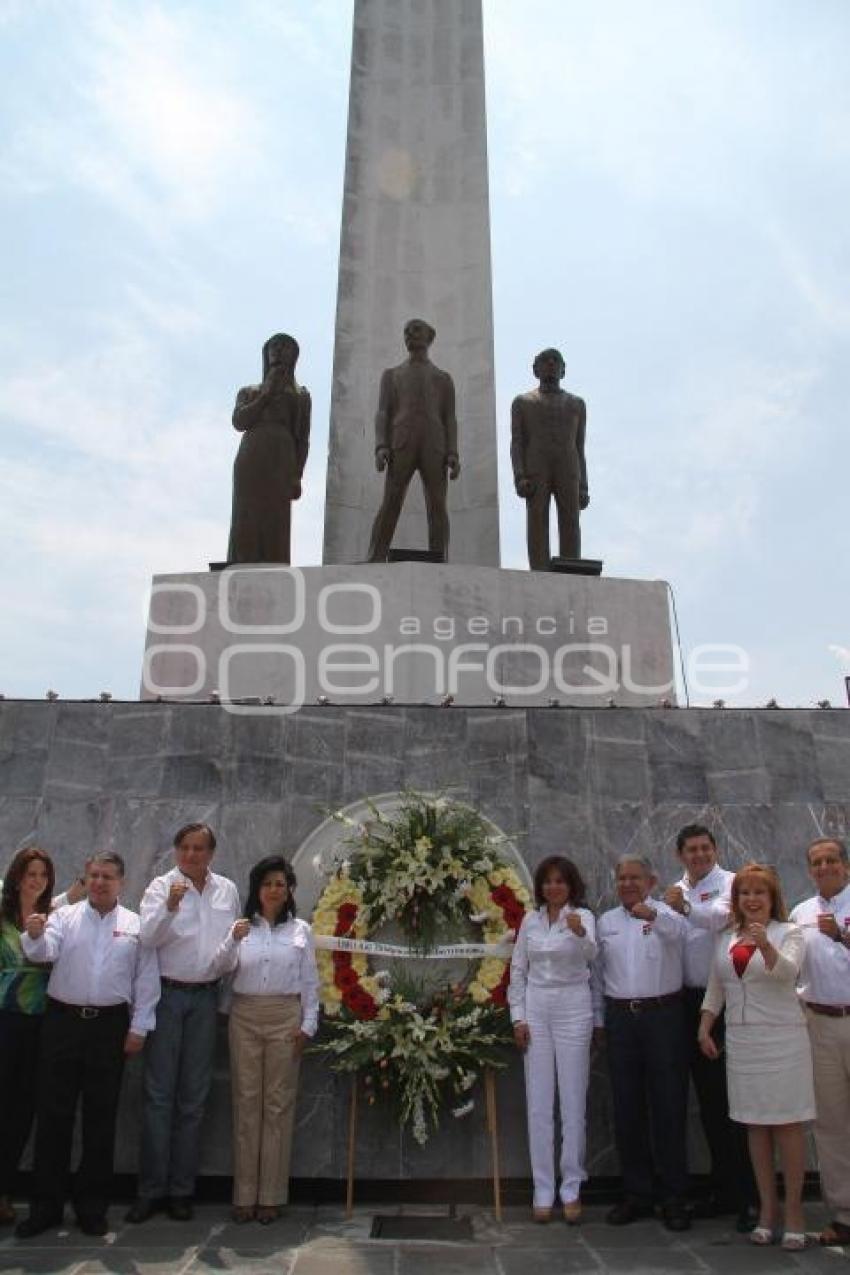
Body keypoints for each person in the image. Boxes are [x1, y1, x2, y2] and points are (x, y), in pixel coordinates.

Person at [15, 852, 159, 1238]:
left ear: (121, 882)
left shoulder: (135, 926)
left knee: (100, 1120)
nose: (99, 882)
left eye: (107, 876)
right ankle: (45, 1207)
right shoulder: (63, 917)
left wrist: (140, 1028)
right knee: (53, 1118)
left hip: (110, 1027)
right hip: (62, 1023)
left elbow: (146, 980)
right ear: (85, 878)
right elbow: (44, 951)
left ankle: (92, 1207)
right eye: (93, 875)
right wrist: (32, 933)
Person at [127, 823, 240, 1223]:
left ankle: (181, 1190)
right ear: (176, 851)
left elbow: (229, 948)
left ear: (210, 853)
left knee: (193, 1098)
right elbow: (148, 939)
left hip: (206, 997)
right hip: (168, 995)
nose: (191, 855)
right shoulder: (161, 887)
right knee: (159, 1096)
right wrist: (169, 907)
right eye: (185, 848)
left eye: (199, 848)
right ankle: (150, 1189)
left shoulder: (226, 889)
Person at [698, 863, 814, 1251]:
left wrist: (765, 944)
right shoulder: (726, 938)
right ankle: (767, 1210)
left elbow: (788, 973)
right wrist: (705, 1024)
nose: (751, 899)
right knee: (755, 1127)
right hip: (743, 1044)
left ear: (772, 898)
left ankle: (794, 1210)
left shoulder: (789, 933)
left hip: (782, 1041)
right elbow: (717, 986)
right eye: (745, 893)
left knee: (786, 1126)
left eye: (758, 893)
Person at [213, 855, 319, 1224]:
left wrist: (308, 1023)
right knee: (246, 1103)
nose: (274, 890)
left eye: (280, 884)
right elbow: (220, 969)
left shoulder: (300, 930)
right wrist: (231, 941)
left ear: (289, 890)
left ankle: (271, 1195)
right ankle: (244, 1195)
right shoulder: (241, 928)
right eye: (267, 884)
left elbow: (310, 981)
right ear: (256, 889)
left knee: (277, 1106)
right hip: (244, 1014)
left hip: (284, 1016)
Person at [663, 824, 756, 1229]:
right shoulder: (675, 889)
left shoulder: (733, 884)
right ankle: (722, 1189)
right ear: (680, 855)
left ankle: (747, 1196)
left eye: (705, 848)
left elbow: (720, 919)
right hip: (685, 1004)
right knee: (708, 1104)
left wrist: (682, 908)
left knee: (733, 1103)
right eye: (691, 850)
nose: (699, 855)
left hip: (722, 1003)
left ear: (715, 850)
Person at [593, 854, 690, 1230]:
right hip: (621, 1019)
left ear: (651, 881)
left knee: (669, 1106)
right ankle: (637, 1193)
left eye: (636, 878)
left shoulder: (667, 916)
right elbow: (599, 976)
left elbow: (679, 934)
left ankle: (675, 1196)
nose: (628, 884)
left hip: (663, 1016)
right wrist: (601, 1022)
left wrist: (654, 914)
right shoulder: (606, 923)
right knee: (627, 1109)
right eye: (622, 879)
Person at [508, 855, 596, 1223]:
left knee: (573, 1101)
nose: (553, 887)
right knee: (539, 1103)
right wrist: (518, 1017)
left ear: (571, 885)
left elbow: (593, 954)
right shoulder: (530, 919)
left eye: (560, 881)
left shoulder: (583, 917)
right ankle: (542, 1188)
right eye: (547, 881)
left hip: (574, 1008)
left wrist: (578, 932)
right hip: (537, 1009)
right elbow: (518, 970)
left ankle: (571, 1186)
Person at [789, 837, 850, 1247]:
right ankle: (844, 1213)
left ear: (845, 865)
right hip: (820, 1023)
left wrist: (842, 935)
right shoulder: (801, 912)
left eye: (831, 860)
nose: (825, 867)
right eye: (817, 862)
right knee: (831, 1123)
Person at [366, 317, 460, 562]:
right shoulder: (392, 375)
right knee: (390, 502)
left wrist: (453, 452)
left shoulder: (443, 379)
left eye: (416, 330)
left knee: (438, 506)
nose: (410, 335)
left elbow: (450, 418)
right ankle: (375, 556)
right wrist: (380, 446)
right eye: (406, 331)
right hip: (401, 444)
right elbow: (383, 413)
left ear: (430, 336)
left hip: (434, 446)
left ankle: (440, 557)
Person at [0, 847, 56, 1226]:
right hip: (4, 1018)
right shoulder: (2, 917)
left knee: (21, 1111)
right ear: (17, 876)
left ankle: (4, 1191)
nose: (36, 880)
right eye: (30, 873)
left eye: (43, 875)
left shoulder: (53, 919)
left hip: (38, 1023)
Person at [226, 332, 311, 564]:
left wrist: (297, 475)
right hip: (252, 451)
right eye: (274, 345)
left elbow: (302, 439)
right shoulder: (249, 391)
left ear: (294, 355)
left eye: (285, 346)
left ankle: (274, 562)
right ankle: (242, 561)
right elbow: (239, 421)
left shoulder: (301, 395)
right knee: (246, 511)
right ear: (266, 353)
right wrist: (266, 394)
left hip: (282, 454)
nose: (279, 349)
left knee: (276, 514)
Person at [510, 347, 588, 569]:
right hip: (536, 466)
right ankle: (539, 567)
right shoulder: (522, 402)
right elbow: (517, 443)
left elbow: (580, 447)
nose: (551, 364)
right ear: (535, 369)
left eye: (556, 361)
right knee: (536, 518)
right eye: (545, 360)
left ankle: (572, 565)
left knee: (570, 519)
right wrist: (519, 476)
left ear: (564, 370)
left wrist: (583, 486)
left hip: (568, 466)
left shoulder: (577, 404)